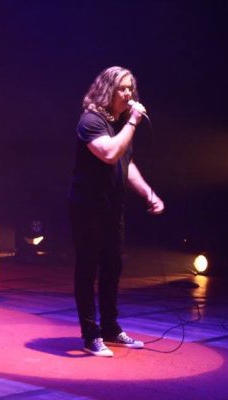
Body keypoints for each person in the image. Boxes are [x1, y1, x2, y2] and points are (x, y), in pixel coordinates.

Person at [68, 66, 164, 357]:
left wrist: (148, 192)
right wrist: (133, 122)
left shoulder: (122, 122)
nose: (128, 94)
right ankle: (90, 335)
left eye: (130, 88)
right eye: (122, 88)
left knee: (112, 268)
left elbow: (126, 163)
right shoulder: (91, 120)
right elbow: (109, 154)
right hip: (88, 208)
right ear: (108, 90)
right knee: (88, 270)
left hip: (113, 209)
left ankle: (110, 328)